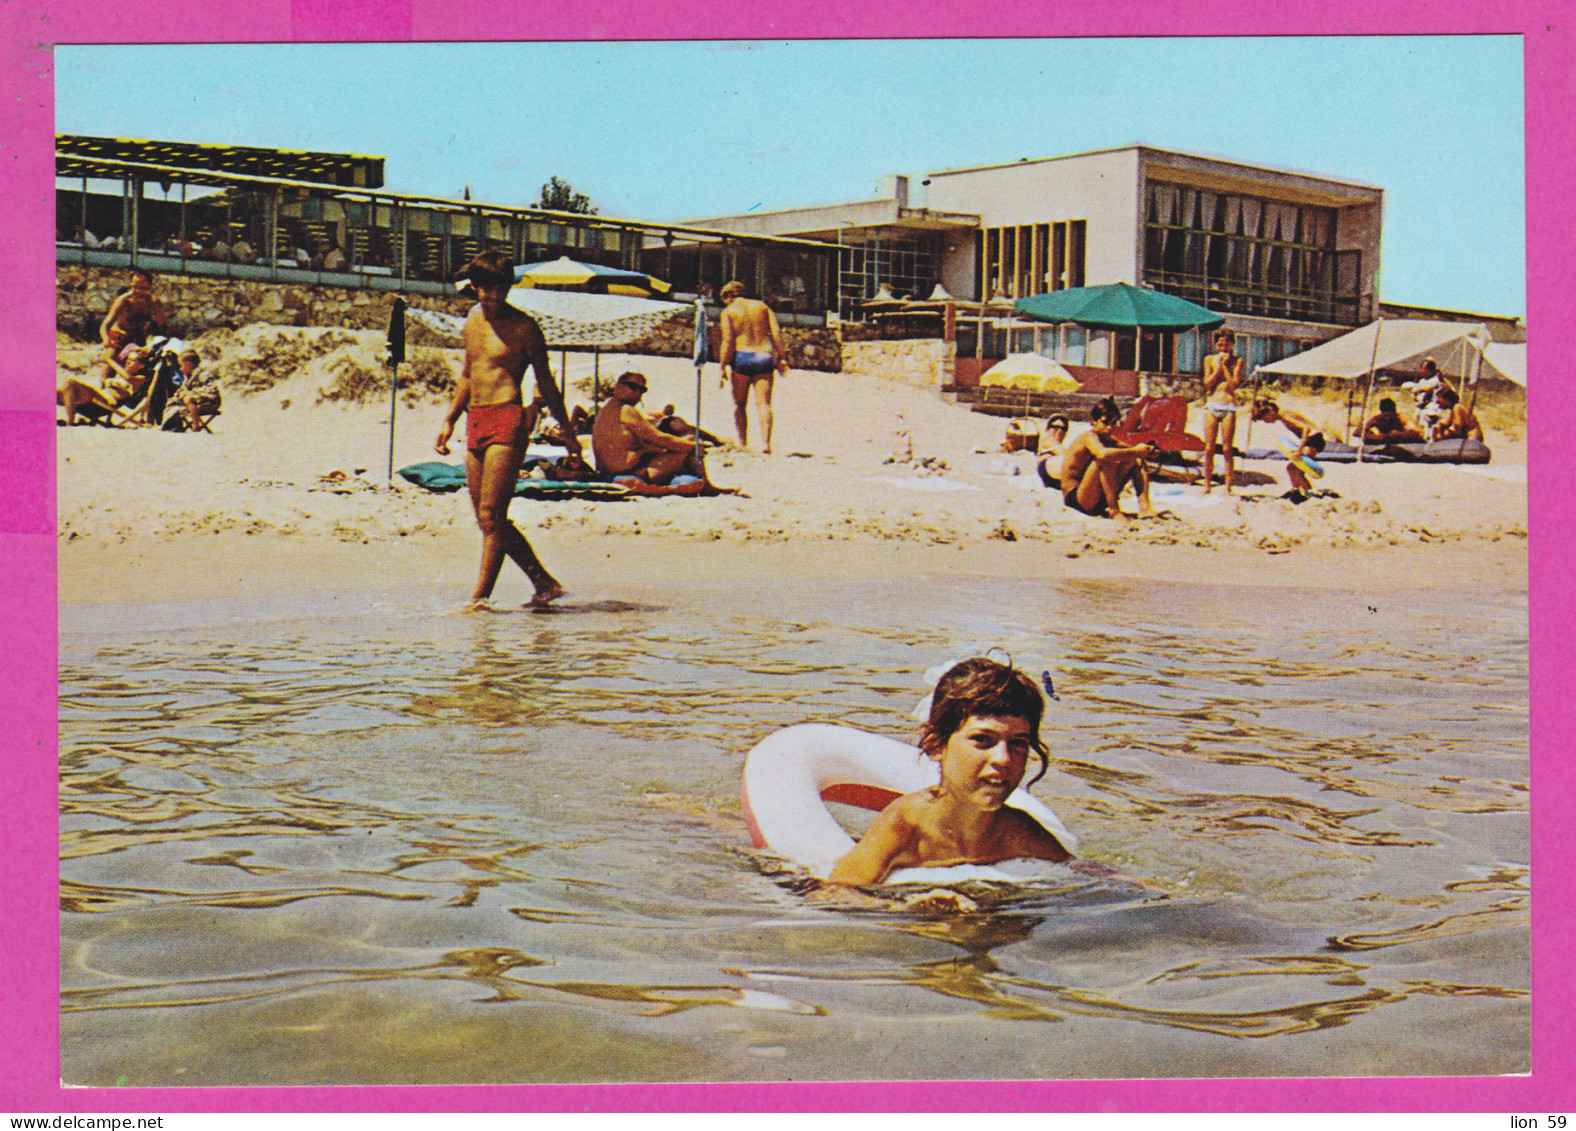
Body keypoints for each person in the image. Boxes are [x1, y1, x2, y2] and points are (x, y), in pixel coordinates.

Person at [828, 657, 1075, 886]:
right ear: (936, 746)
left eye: (1018, 743)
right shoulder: (904, 825)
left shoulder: (1017, 830)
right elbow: (835, 892)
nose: (1003, 758)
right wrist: (907, 906)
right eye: (982, 739)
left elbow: (1084, 872)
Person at [434, 250, 583, 608]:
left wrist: (568, 433)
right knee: (488, 522)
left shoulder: (524, 327)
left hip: (508, 418)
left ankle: (479, 599)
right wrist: (449, 419)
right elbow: (469, 374)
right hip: (475, 420)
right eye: (488, 291)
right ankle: (544, 583)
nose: (496, 298)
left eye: (503, 290)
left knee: (491, 514)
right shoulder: (471, 321)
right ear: (474, 287)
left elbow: (546, 383)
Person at [592, 372, 706, 485]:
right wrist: (693, 446)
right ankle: (707, 486)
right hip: (637, 472)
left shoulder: (606, 410)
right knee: (690, 441)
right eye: (633, 387)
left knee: (681, 444)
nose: (637, 393)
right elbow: (660, 438)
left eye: (642, 390)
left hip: (612, 471)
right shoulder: (625, 410)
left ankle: (695, 481)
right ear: (618, 386)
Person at [1057, 397, 1157, 521]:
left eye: (1113, 423)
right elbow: (1103, 454)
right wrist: (1135, 451)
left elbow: (1130, 449)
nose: (1109, 428)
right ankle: (1114, 510)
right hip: (1077, 499)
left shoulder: (1106, 437)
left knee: (1136, 459)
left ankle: (1145, 508)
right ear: (1093, 421)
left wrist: (1146, 452)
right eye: (1105, 422)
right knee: (1105, 459)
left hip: (1095, 497)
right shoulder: (1088, 437)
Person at [718, 280, 787, 453]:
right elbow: (776, 333)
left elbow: (727, 341)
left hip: (742, 357)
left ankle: (743, 443)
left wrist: (722, 366)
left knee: (740, 404)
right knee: (764, 404)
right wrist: (782, 357)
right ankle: (766, 444)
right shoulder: (762, 306)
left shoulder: (728, 311)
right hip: (764, 356)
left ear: (729, 296)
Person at [1251, 397, 1327, 502]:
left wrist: (1299, 449)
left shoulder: (1284, 415)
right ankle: (1296, 491)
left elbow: (1306, 428)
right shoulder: (1284, 415)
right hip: (1313, 440)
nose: (1265, 421)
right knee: (1292, 469)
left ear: (1270, 410)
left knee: (1294, 469)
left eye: (1264, 417)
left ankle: (1308, 493)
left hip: (1314, 440)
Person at [1200, 327, 1246, 494]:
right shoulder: (1209, 359)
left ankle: (1228, 485)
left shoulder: (1237, 361)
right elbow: (1207, 384)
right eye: (1220, 345)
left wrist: (1226, 367)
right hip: (1212, 404)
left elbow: (1234, 385)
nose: (1223, 349)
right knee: (1209, 447)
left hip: (1228, 405)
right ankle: (1207, 485)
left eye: (1226, 345)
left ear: (1232, 345)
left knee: (1227, 449)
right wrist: (1218, 367)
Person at [100, 269, 167, 347]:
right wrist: (106, 339)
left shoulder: (153, 302)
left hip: (138, 339)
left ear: (150, 286)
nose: (138, 291)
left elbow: (162, 325)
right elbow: (106, 324)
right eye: (135, 287)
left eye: (142, 288)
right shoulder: (124, 300)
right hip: (119, 336)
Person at [1361, 397, 1425, 445]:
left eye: (1389, 415)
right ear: (1381, 412)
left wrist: (1400, 434)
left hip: (1402, 441)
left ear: (1394, 412)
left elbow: (1417, 432)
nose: (1388, 418)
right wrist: (1376, 437)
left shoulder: (1402, 417)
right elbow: (1358, 432)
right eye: (1385, 415)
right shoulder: (1377, 419)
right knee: (1367, 440)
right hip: (1386, 441)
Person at [1034, 414, 1071, 488]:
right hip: (1048, 472)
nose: (1060, 431)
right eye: (1055, 427)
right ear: (1048, 429)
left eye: (1063, 428)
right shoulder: (1049, 441)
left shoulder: (1049, 444)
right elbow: (1069, 456)